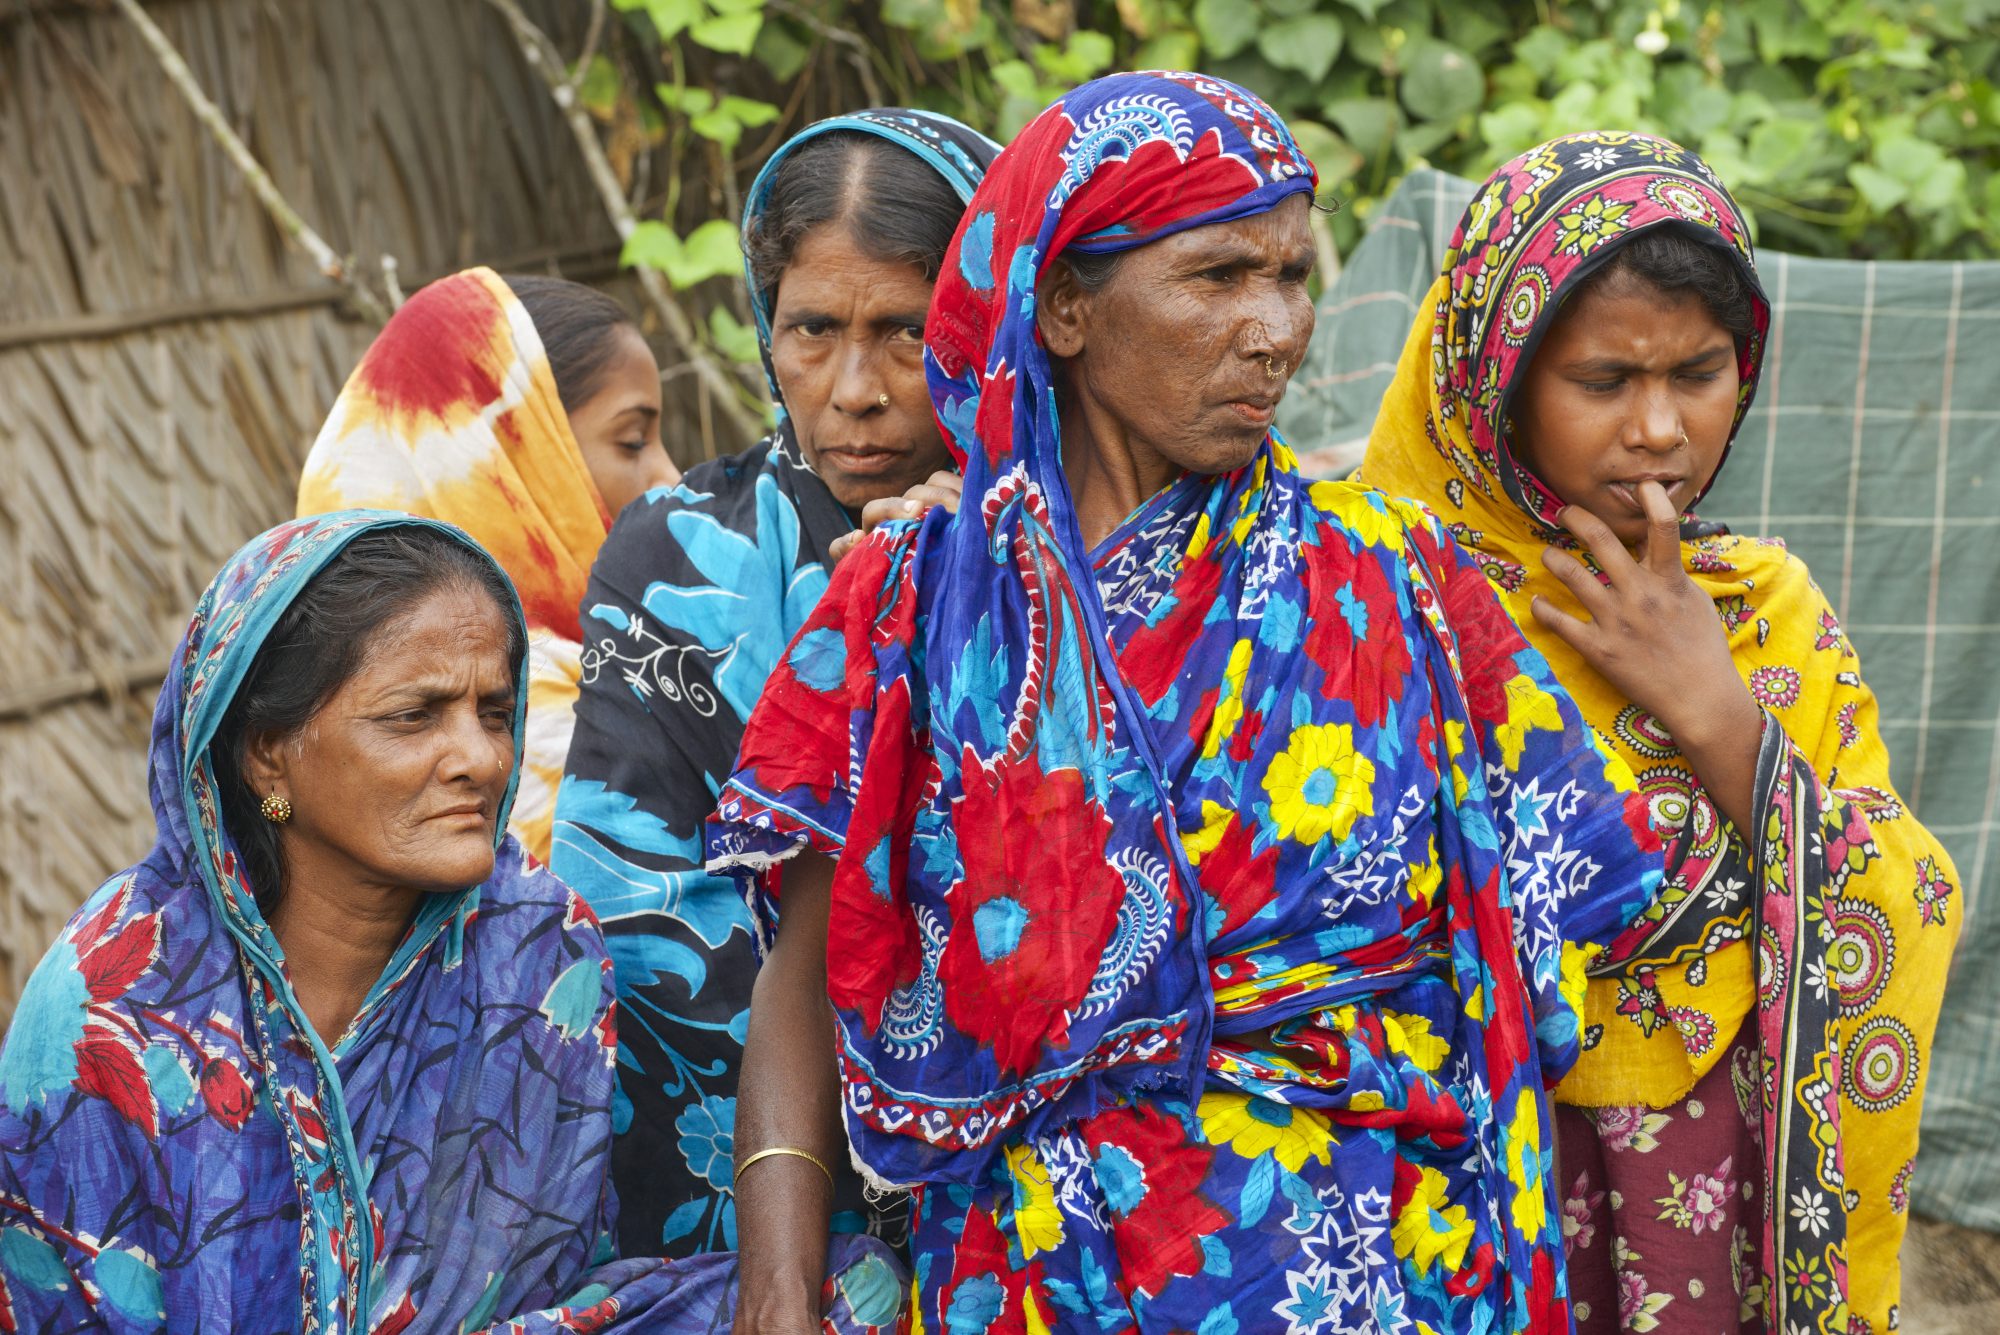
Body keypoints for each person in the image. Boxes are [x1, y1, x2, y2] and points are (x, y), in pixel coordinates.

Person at [705, 72, 1665, 1333]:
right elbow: (805, 972)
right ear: (1059, 303)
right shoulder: (910, 612)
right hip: (1040, 1282)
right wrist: (776, 1293)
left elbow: (1572, 912)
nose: (1275, 329)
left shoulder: (1392, 576)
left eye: (1288, 274)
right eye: (1218, 277)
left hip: (1377, 1273)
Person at [0, 510, 903, 1332]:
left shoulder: (538, 949)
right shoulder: (108, 1006)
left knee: (857, 1294)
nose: (477, 757)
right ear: (268, 756)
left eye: (495, 712)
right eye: (414, 716)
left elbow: (538, 1293)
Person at [1356, 132, 1963, 1334]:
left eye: (1698, 372)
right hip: (1444, 1179)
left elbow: (1900, 899)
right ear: (1493, 372)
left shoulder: (1758, 614)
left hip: (1709, 1204)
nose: (1657, 430)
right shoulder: (1366, 596)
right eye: (1601, 381)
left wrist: (1714, 710)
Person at [550, 109, 999, 1259]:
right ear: (765, 327)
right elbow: (635, 908)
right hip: (724, 1204)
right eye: (812, 329)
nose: (853, 389)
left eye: (905, 331)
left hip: (1019, 1194)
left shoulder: (1070, 545)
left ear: (986, 324)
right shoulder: (677, 551)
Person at [299, 269, 677, 865]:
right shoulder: (569, 726)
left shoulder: (305, 699)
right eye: (632, 442)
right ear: (515, 465)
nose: (670, 478)